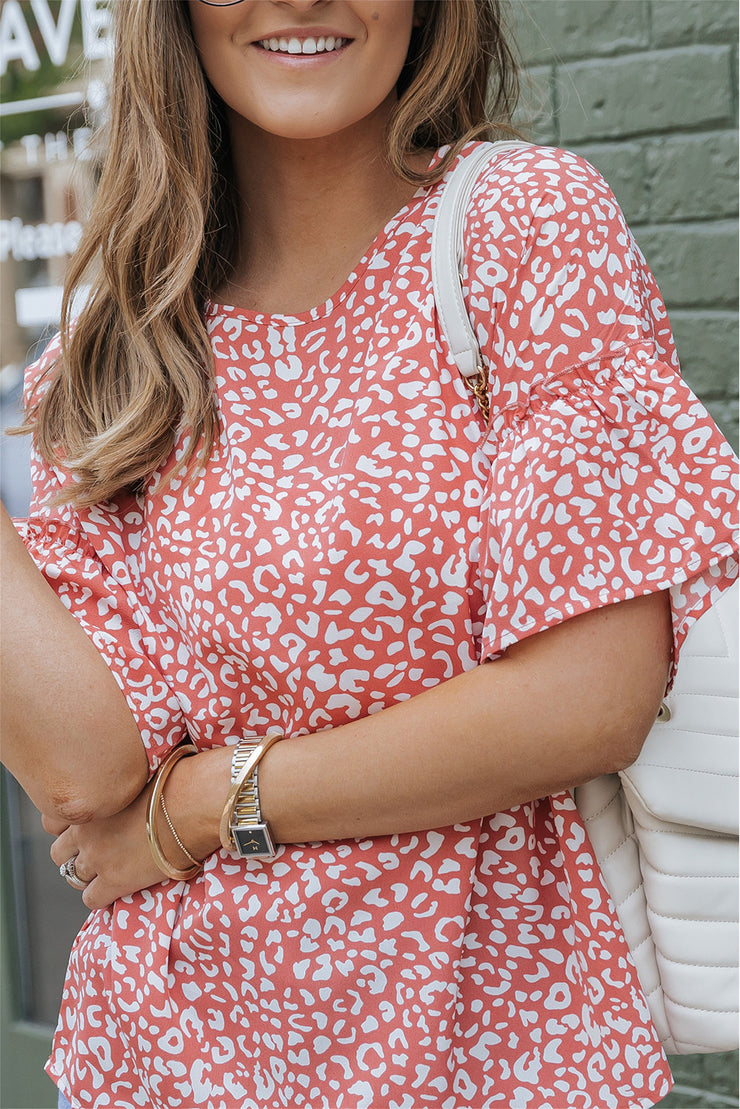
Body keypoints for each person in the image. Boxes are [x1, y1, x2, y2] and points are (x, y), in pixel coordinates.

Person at [2, 0, 738, 1106]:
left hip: (488, 1053)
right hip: (162, 1058)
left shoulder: (522, 228)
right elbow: (90, 771)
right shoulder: (120, 335)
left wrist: (208, 804)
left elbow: (587, 698)